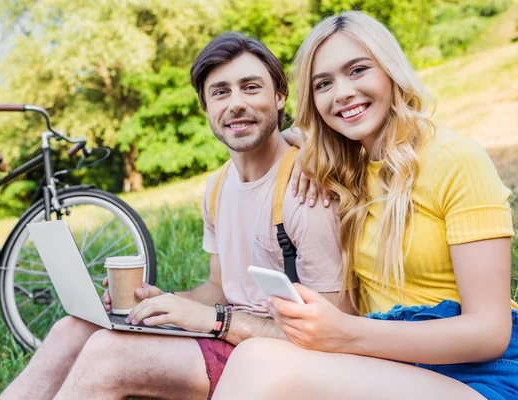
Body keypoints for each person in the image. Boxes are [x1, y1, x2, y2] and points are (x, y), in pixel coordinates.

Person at [0, 32, 353, 400]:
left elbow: (333, 331)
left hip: (278, 354)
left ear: (280, 97)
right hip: (232, 333)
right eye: (220, 92)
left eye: (251, 87)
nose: (236, 103)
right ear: (205, 107)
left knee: (109, 356)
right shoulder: (218, 187)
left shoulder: (305, 187)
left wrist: (216, 320)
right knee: (71, 330)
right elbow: (218, 288)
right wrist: (161, 301)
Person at [213, 11, 518, 400]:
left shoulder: (456, 159)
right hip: (390, 367)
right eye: (324, 83)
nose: (341, 93)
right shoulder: (345, 172)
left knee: (261, 362)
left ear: (390, 72)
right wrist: (302, 144)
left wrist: (342, 332)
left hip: (481, 376)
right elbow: (302, 137)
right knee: (256, 355)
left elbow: (490, 332)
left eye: (357, 70)